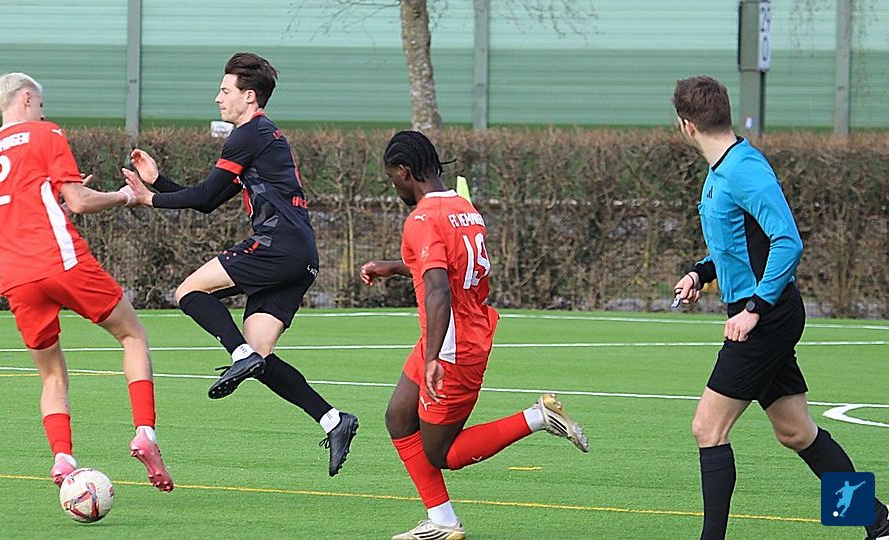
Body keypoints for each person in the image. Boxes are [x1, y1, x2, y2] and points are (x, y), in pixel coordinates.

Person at [670, 75, 888, 540]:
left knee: (707, 429)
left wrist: (753, 309)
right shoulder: (722, 170)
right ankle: (878, 522)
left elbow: (787, 241)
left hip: (765, 318)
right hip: (760, 314)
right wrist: (700, 274)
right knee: (796, 433)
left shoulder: (743, 169)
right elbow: (737, 245)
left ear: (686, 125)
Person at [121, 52, 358, 477]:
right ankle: (333, 420)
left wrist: (149, 198)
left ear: (249, 96)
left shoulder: (249, 134)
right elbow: (209, 199)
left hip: (277, 246)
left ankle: (239, 354)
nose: (218, 98)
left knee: (188, 292)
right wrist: (157, 183)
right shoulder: (261, 137)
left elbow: (203, 196)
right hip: (300, 255)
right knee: (261, 355)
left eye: (225, 90)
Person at [360, 131, 589, 540]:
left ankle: (538, 417)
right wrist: (394, 267)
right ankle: (442, 521)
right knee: (398, 416)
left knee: (440, 452)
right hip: (457, 331)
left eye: (392, 179)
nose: (394, 188)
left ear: (405, 171)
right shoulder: (463, 208)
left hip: (451, 346)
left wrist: (434, 358)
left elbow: (438, 289)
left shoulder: (421, 219)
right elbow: (449, 267)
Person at [0, 72, 173, 492]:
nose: (43, 113)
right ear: (27, 98)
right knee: (132, 334)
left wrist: (59, 197)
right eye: (41, 105)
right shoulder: (46, 133)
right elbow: (78, 202)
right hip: (59, 260)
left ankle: (63, 458)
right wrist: (125, 196)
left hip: (15, 276)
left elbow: (22, 207)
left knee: (51, 375)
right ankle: (144, 433)